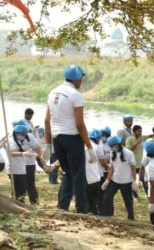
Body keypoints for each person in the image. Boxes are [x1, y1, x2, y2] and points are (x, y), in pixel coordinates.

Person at [44, 65, 95, 213]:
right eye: (81, 78)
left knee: (68, 172)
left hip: (57, 137)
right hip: (72, 137)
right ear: (77, 79)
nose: (81, 81)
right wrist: (89, 146)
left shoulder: (53, 92)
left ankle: (63, 206)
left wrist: (48, 143)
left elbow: (47, 120)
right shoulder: (75, 94)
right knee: (79, 174)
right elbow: (79, 124)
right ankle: (81, 209)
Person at [100, 136, 137, 220]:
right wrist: (107, 180)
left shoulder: (129, 153)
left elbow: (133, 167)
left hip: (126, 181)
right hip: (115, 180)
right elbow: (112, 168)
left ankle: (131, 219)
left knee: (128, 201)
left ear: (117, 145)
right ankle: (108, 215)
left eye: (112, 146)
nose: (111, 148)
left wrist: (134, 180)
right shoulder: (113, 153)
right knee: (107, 197)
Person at [8, 123, 43, 203]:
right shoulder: (11, 139)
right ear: (15, 132)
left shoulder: (29, 137)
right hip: (16, 167)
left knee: (29, 185)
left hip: (27, 165)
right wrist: (24, 154)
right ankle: (18, 203)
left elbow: (38, 149)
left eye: (23, 134)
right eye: (20, 134)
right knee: (18, 188)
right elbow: (11, 152)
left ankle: (34, 203)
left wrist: (43, 163)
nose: (22, 135)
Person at [84, 129, 105, 214]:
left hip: (85, 176)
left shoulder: (82, 145)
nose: (100, 140)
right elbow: (103, 162)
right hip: (95, 176)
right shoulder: (97, 147)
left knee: (86, 196)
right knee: (95, 197)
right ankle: (96, 212)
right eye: (99, 138)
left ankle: (87, 211)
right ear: (96, 138)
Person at [125, 125, 147, 196]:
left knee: (144, 180)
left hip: (140, 164)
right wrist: (137, 142)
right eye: (139, 131)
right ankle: (135, 196)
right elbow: (129, 150)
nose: (140, 133)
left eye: (141, 131)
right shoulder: (129, 140)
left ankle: (148, 195)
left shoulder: (142, 138)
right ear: (134, 132)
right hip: (132, 164)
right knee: (133, 180)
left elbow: (150, 136)